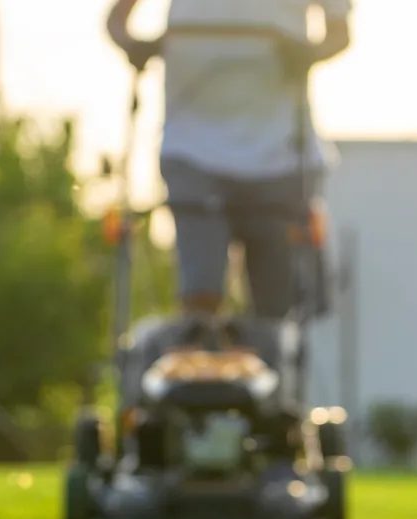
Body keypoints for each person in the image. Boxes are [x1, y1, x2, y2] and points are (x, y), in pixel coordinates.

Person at [106, 0, 353, 321]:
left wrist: (308, 52)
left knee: (276, 314)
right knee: (200, 303)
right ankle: (200, 357)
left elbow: (339, 31)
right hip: (192, 150)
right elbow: (117, 20)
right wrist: (135, 45)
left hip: (281, 156)